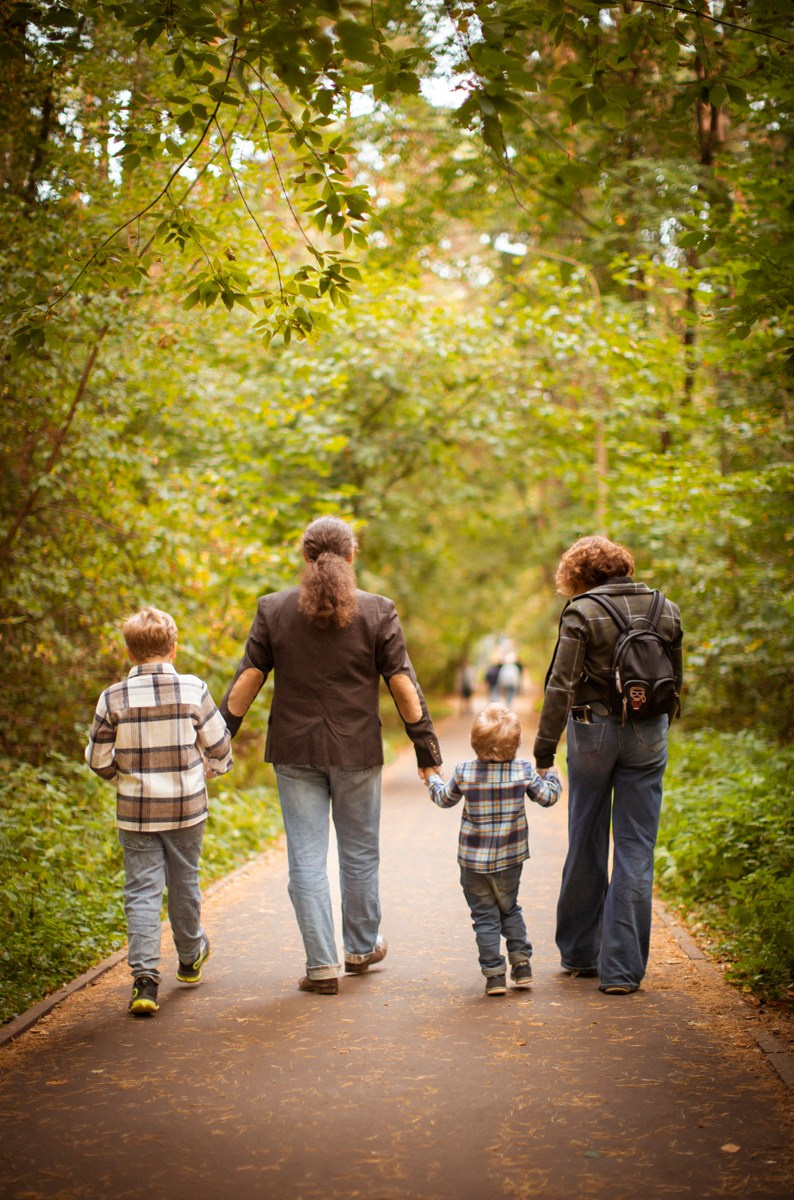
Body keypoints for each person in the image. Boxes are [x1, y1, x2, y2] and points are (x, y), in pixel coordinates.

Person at [220, 516, 443, 996]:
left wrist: (219, 738)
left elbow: (249, 679)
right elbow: (402, 684)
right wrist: (426, 748)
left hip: (295, 751)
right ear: (351, 555)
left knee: (305, 857)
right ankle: (360, 948)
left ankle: (322, 966)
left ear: (305, 556)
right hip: (356, 749)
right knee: (359, 853)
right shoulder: (377, 611)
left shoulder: (274, 609)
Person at [534, 536, 683, 995]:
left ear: (579, 575)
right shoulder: (666, 608)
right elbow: (675, 679)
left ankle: (580, 954)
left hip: (592, 730)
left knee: (587, 835)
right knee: (637, 847)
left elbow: (561, 686)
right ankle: (622, 971)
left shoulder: (582, 611)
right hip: (648, 731)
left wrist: (543, 750)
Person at [85, 607, 233, 1016]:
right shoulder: (192, 689)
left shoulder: (112, 697)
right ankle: (189, 958)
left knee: (141, 889)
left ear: (130, 651)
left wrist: (123, 776)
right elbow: (219, 747)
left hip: (136, 811)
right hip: (187, 807)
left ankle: (145, 980)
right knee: (185, 881)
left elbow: (98, 759)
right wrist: (210, 770)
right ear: (173, 646)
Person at [425, 704, 561, 996]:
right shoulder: (524, 770)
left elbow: (443, 800)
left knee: (484, 916)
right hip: (510, 861)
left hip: (473, 864)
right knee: (509, 909)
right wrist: (552, 775)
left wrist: (433, 779)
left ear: (475, 743)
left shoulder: (464, 771)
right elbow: (548, 798)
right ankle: (521, 964)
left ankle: (494, 976)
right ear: (516, 744)